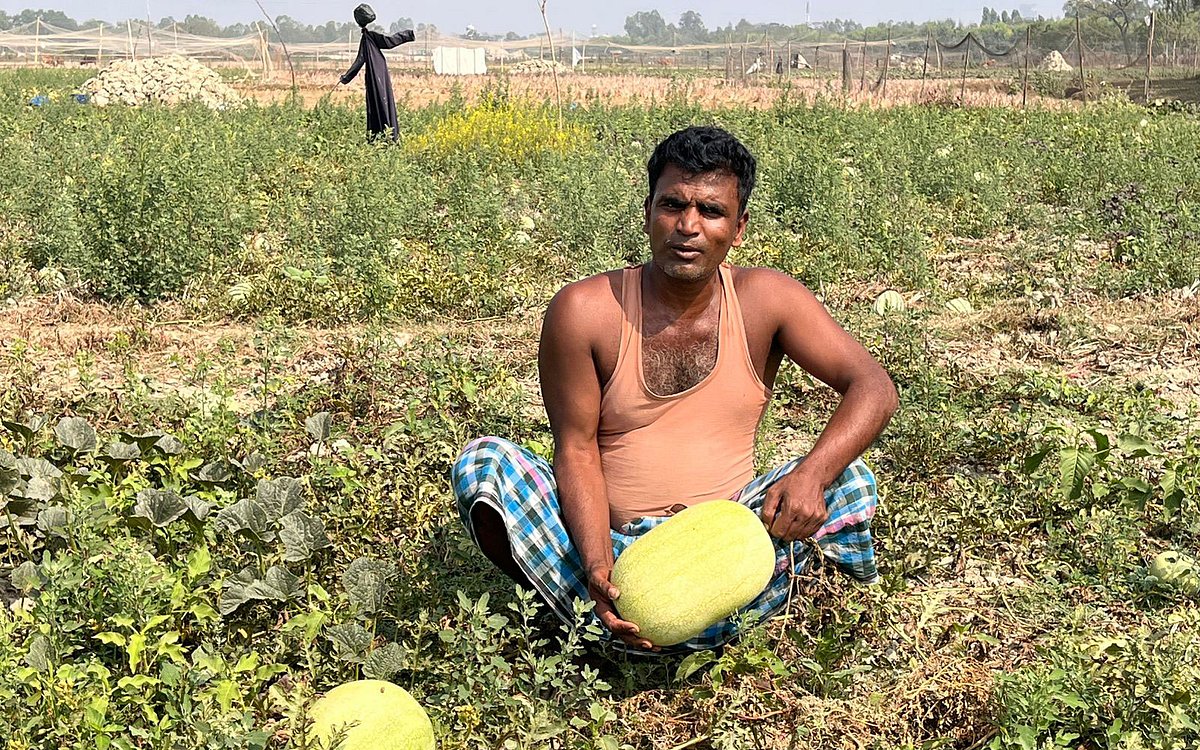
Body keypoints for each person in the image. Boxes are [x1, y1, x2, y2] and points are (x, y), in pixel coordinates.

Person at [452, 125, 898, 655]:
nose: (688, 226)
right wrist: (598, 564)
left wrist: (810, 477)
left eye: (711, 211)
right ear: (647, 212)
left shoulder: (766, 300)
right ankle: (599, 610)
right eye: (672, 205)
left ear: (738, 227)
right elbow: (575, 448)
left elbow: (872, 385)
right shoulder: (584, 310)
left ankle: (683, 622)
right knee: (486, 465)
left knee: (851, 481)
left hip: (729, 548)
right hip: (614, 553)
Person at [339, 4, 414, 142]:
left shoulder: (369, 37)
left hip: (376, 75)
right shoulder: (369, 36)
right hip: (379, 73)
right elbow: (388, 43)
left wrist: (346, 78)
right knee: (382, 102)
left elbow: (360, 60)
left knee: (380, 102)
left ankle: (385, 137)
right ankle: (386, 136)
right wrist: (346, 77)